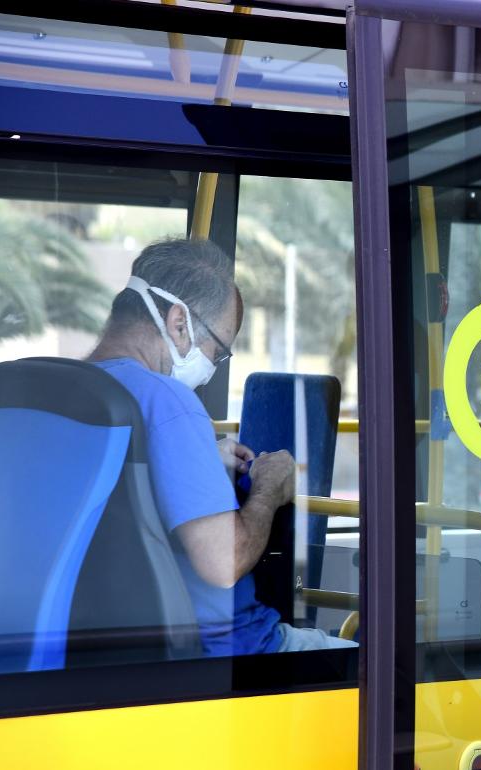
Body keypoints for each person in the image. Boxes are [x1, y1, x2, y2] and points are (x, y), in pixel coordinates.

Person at [87, 238, 355, 656]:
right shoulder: (169, 401)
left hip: (118, 645)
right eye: (216, 350)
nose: (210, 372)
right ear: (179, 323)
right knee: (379, 673)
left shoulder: (77, 389)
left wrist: (197, 460)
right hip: (226, 652)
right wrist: (267, 490)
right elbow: (223, 564)